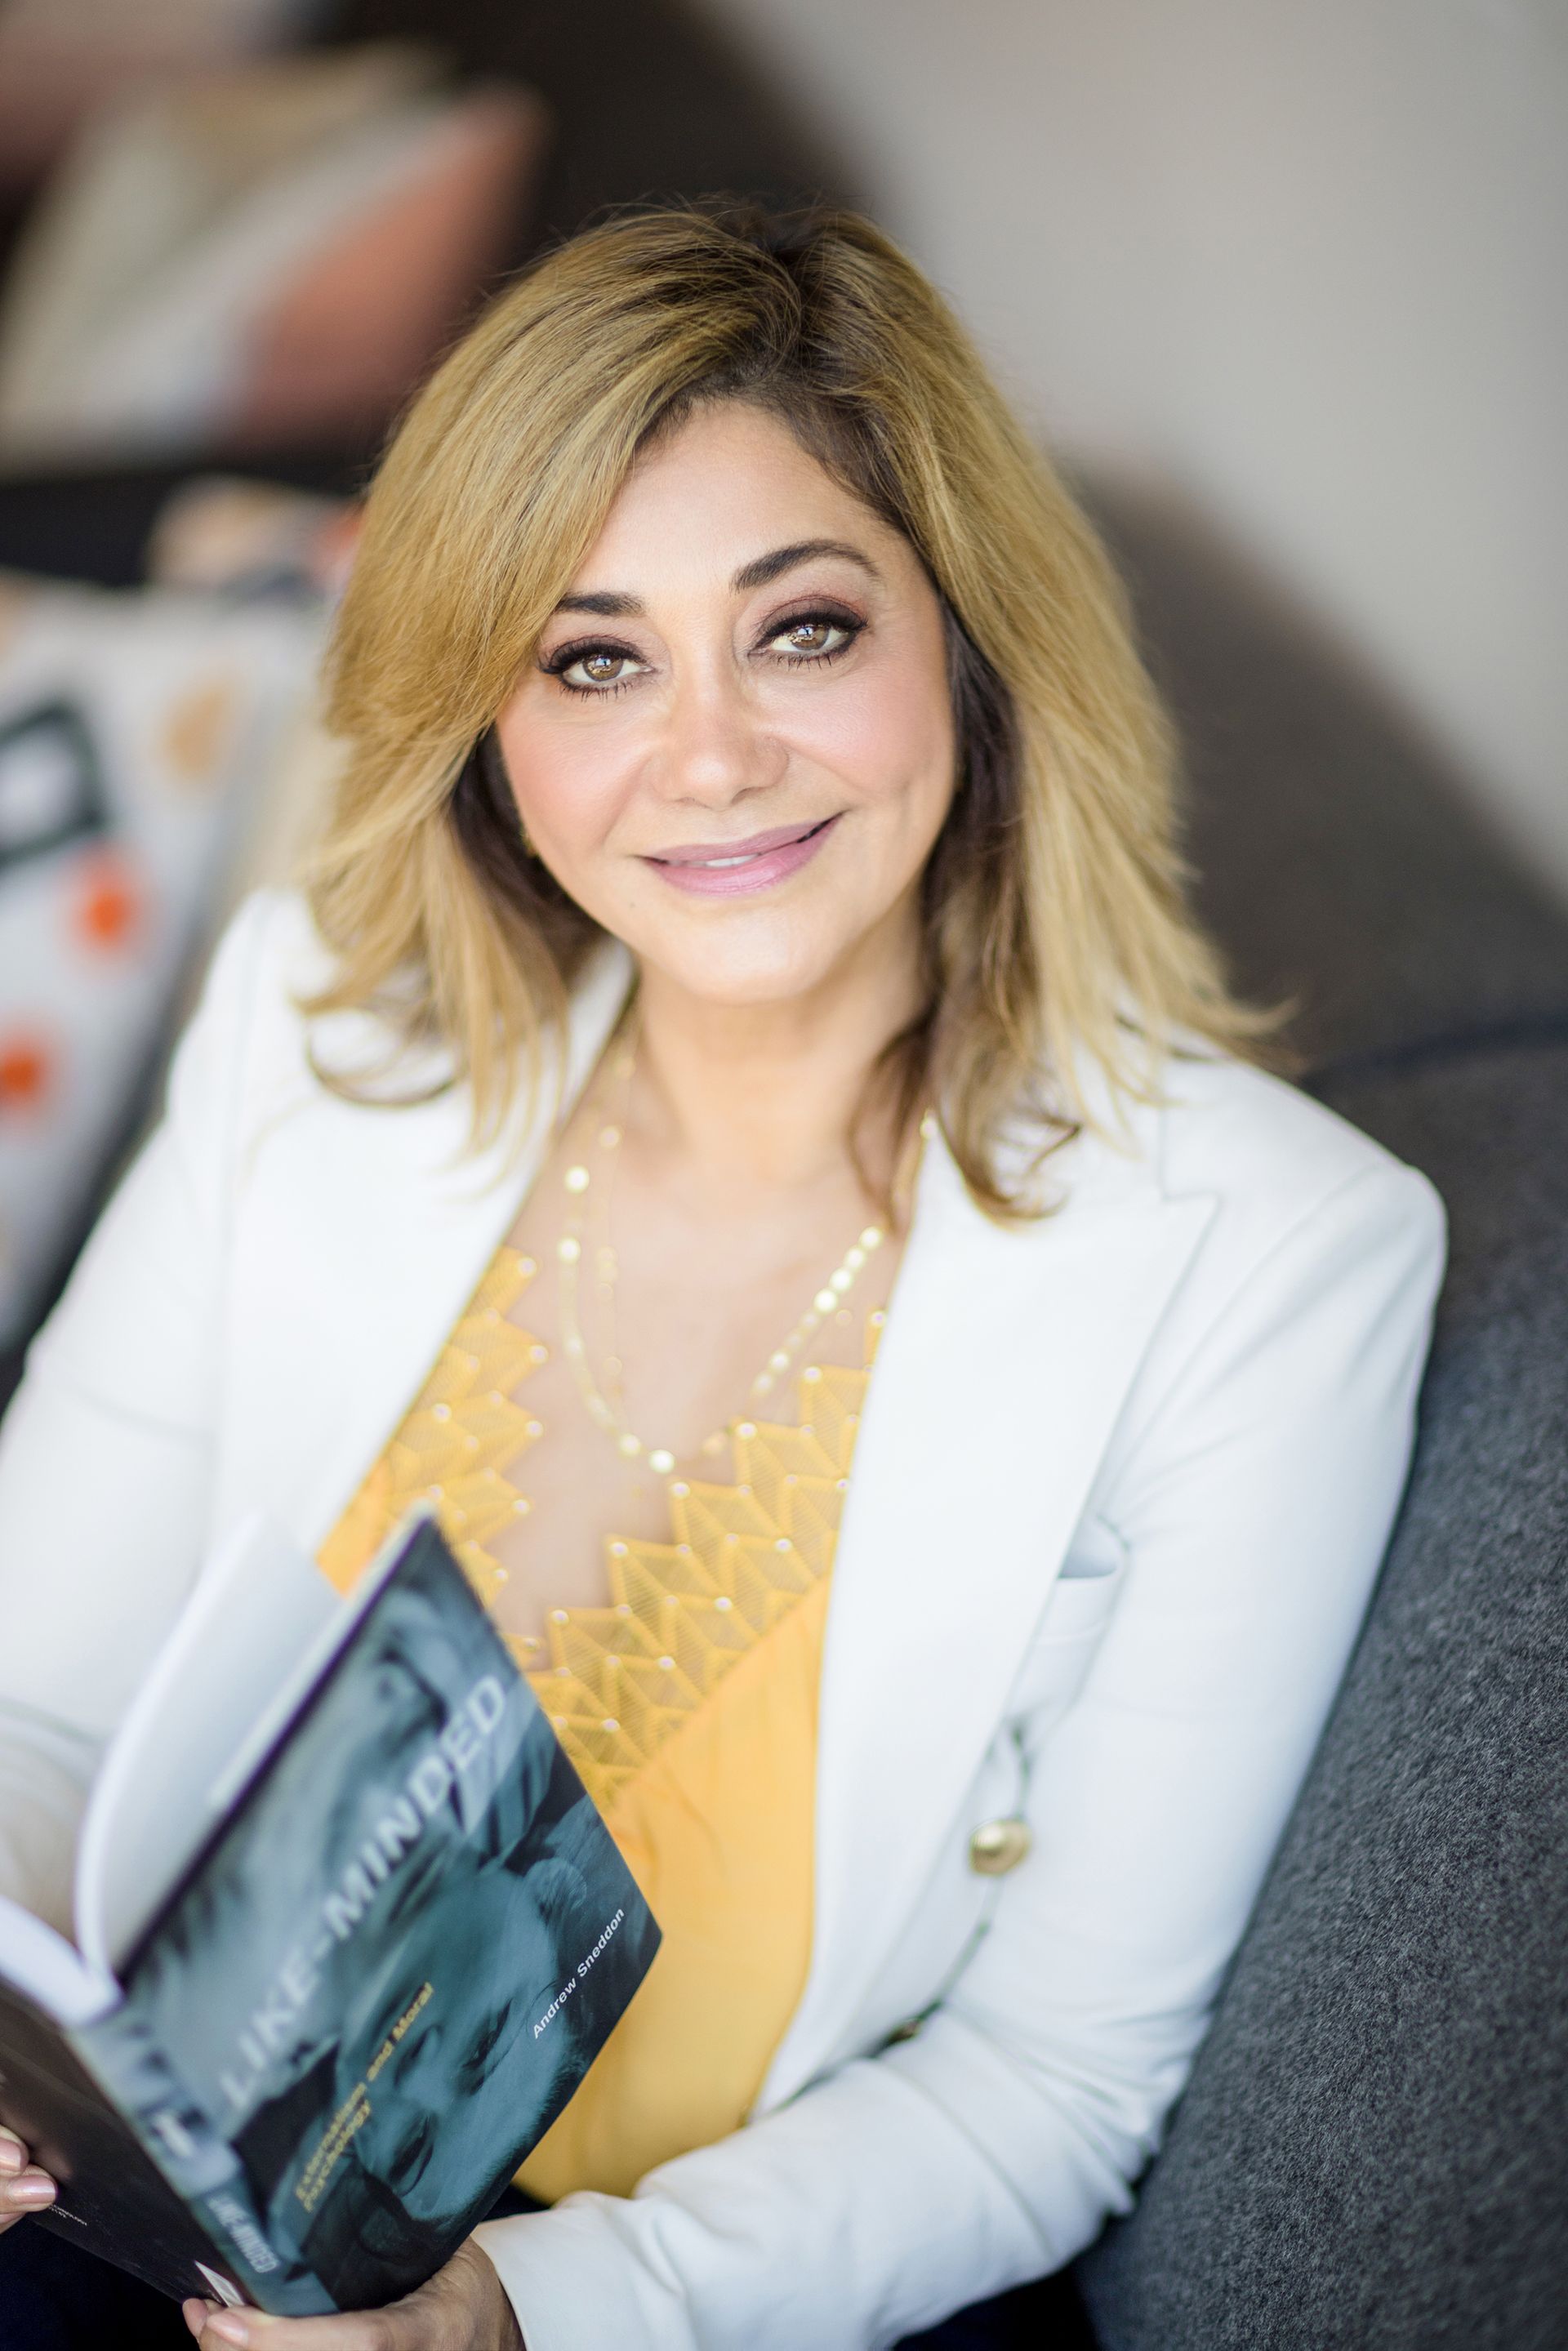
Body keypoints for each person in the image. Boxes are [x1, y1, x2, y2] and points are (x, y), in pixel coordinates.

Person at [0, 203, 1446, 2351]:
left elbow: (1048, 2088)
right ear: (489, 723)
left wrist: (518, 2313)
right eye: (595, 659)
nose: (708, 757)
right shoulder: (321, 1030)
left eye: (803, 630)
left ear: (969, 644)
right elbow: (36, 1704)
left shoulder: (1278, 1262)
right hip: (154, 2237)